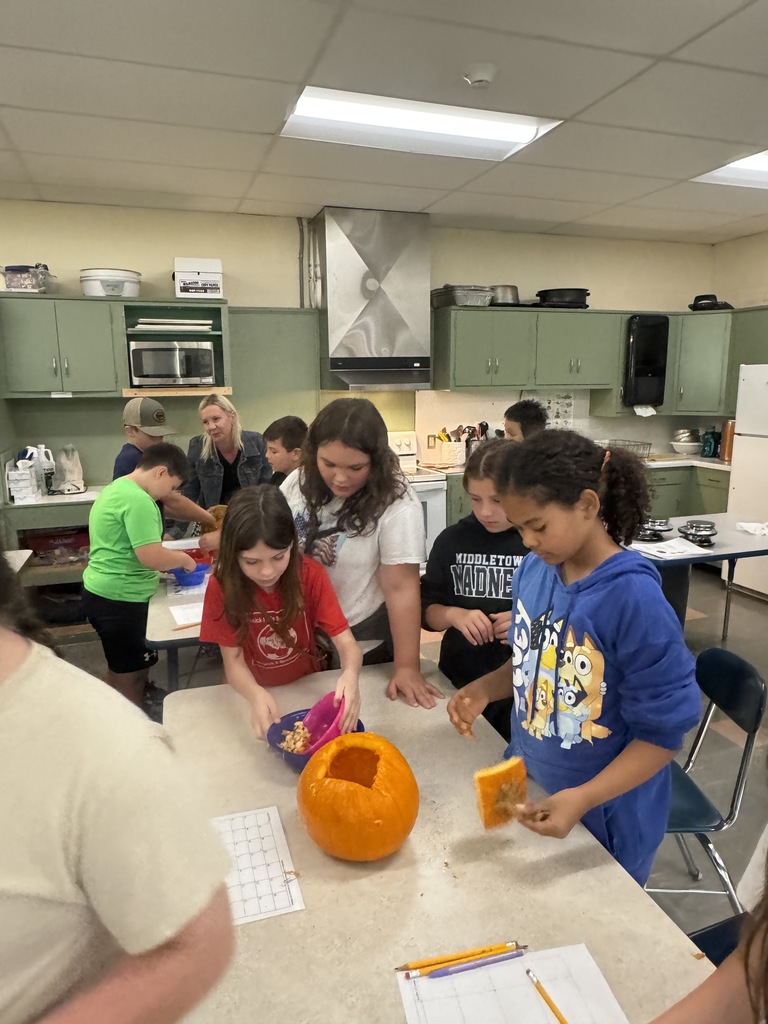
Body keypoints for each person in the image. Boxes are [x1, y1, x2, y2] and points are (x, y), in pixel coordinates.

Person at [447, 429, 701, 885]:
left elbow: (662, 738)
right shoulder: (535, 568)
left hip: (606, 814)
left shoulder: (632, 599)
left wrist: (582, 798)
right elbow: (534, 662)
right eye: (518, 526)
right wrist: (486, 687)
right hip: (533, 782)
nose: (526, 540)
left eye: (537, 526)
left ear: (586, 505)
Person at [0, 536, 234, 1024]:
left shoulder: (105, 749)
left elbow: (198, 943)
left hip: (119, 597)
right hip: (116, 596)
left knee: (127, 670)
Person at [282, 397, 443, 710]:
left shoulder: (395, 501)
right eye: (328, 464)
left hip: (362, 636)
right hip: (301, 633)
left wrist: (407, 667)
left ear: (376, 461)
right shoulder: (296, 483)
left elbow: (402, 587)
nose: (340, 478)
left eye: (355, 468)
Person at [199, 485, 362, 738]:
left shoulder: (309, 575)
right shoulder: (222, 585)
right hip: (248, 689)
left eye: (279, 557)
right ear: (233, 554)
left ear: (292, 545)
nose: (267, 572)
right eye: (252, 562)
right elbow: (233, 662)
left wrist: (350, 675)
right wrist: (254, 695)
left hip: (305, 686)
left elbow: (347, 644)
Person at [421, 439, 528, 739]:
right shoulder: (451, 541)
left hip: (522, 686)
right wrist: (454, 615)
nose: (486, 511)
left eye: (497, 500)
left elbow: (566, 614)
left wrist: (527, 623)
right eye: (475, 499)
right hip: (459, 677)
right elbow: (426, 609)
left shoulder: (538, 543)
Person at [82, 443, 196, 714]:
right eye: (171, 487)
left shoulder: (118, 487)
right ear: (160, 472)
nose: (169, 495)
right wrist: (183, 560)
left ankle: (133, 703)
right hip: (119, 599)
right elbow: (150, 556)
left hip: (106, 592)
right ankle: (131, 726)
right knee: (128, 676)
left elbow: (132, 549)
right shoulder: (139, 501)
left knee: (133, 665)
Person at [182, 394, 272, 550]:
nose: (211, 427)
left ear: (232, 417)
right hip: (211, 521)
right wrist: (174, 533)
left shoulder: (256, 442)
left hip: (248, 520)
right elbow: (189, 492)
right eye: (205, 422)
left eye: (216, 419)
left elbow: (267, 490)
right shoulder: (197, 446)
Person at [113, 397, 215, 533]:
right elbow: (171, 501)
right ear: (130, 431)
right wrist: (211, 518)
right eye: (152, 436)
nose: (159, 441)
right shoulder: (132, 459)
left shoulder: (146, 456)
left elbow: (162, 505)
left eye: (161, 435)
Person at [264, 415, 308, 486]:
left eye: (273, 451)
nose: (267, 455)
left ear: (296, 453)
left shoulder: (308, 486)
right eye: (267, 449)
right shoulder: (277, 477)